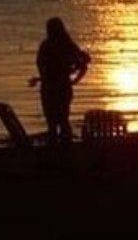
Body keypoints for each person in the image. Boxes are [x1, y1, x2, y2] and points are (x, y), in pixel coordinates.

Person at [28, 17, 91, 145]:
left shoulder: (47, 46)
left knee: (53, 121)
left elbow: (41, 66)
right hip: (61, 87)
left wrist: (73, 79)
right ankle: (64, 149)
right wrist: (74, 80)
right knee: (62, 119)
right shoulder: (66, 45)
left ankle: (57, 150)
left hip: (51, 88)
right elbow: (82, 65)